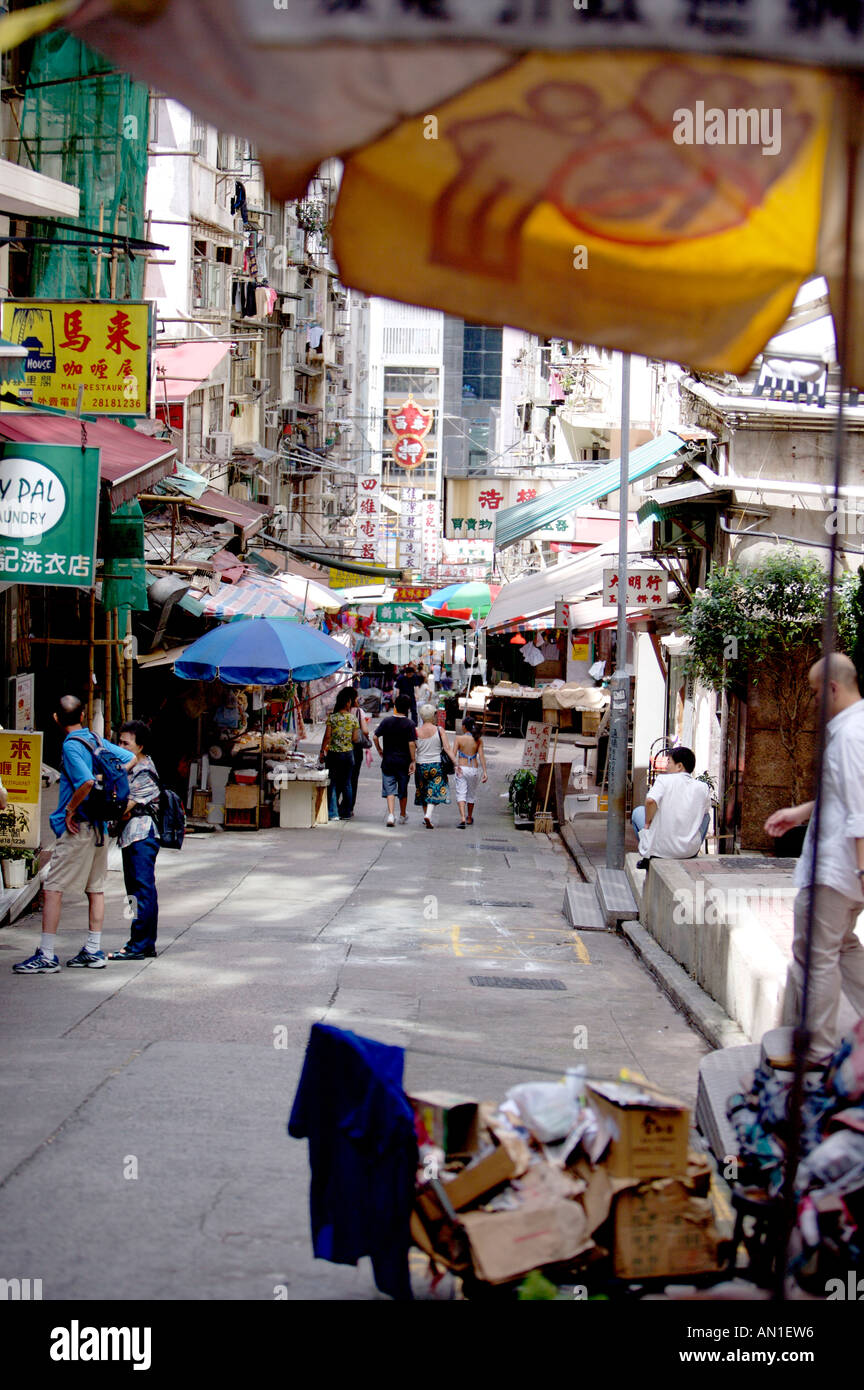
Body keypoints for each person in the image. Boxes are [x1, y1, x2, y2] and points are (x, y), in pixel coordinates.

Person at [765, 653, 864, 1067]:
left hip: (837, 867)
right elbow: (843, 796)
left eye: (812, 692)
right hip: (841, 867)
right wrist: (801, 813)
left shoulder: (851, 734)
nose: (810, 701)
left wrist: (861, 868)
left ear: (833, 689)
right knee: (842, 948)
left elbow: (860, 809)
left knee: (815, 956)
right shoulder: (853, 729)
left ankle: (819, 1050)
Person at [13, 695, 134, 974]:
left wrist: (69, 809)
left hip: (78, 827)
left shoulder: (71, 745)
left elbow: (87, 782)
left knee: (53, 888)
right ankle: (93, 950)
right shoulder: (95, 738)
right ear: (82, 715)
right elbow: (128, 759)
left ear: (56, 718)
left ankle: (46, 954)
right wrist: (107, 783)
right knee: (96, 888)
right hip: (101, 829)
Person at [109, 720, 161, 960]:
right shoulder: (129, 768)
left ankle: (139, 945)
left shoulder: (144, 772)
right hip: (130, 836)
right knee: (134, 891)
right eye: (118, 742)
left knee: (141, 890)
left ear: (140, 746)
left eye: (125, 743)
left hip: (141, 836)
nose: (120, 746)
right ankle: (140, 942)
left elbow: (122, 807)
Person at [631, 746, 710, 868]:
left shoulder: (663, 780)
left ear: (679, 766)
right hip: (689, 851)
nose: (666, 766)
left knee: (638, 812)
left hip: (662, 850)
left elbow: (651, 801)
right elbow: (704, 813)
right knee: (706, 817)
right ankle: (688, 844)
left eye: (669, 762)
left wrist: (647, 823)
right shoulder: (702, 787)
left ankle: (648, 853)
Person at [374, 694, 416, 827]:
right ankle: (402, 815)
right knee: (403, 788)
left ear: (395, 707)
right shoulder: (410, 724)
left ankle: (391, 814)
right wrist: (413, 760)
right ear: (408, 709)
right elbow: (411, 744)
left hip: (388, 760)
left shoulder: (386, 721)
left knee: (390, 788)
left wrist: (380, 750)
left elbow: (375, 737)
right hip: (404, 762)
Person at [318, 687, 358, 822]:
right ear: (347, 703)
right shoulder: (353, 719)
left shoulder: (332, 718)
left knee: (333, 783)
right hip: (348, 754)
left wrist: (322, 751)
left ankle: (333, 812)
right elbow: (355, 738)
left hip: (334, 754)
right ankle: (346, 812)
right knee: (347, 783)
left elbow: (327, 737)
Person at [413, 703, 450, 828]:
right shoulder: (440, 730)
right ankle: (428, 815)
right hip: (436, 765)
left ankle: (426, 816)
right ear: (433, 716)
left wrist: (412, 762)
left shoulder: (416, 731)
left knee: (423, 790)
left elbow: (412, 747)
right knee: (434, 790)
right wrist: (455, 763)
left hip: (420, 765)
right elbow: (447, 748)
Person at [452, 716, 488, 828]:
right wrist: (485, 772)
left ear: (463, 726)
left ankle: (462, 817)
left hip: (461, 768)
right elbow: (481, 756)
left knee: (461, 793)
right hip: (473, 769)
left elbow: (453, 755)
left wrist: (455, 766)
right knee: (471, 794)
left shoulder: (459, 738)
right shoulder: (478, 740)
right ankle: (469, 817)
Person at [347, 687, 371, 817]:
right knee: (353, 779)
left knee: (340, 778)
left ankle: (335, 806)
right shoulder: (359, 712)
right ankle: (349, 807)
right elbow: (366, 731)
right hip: (355, 748)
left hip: (340, 748)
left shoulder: (338, 711)